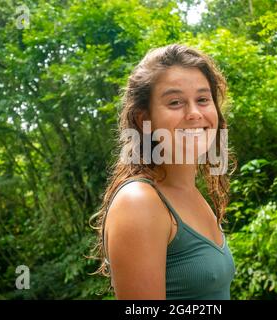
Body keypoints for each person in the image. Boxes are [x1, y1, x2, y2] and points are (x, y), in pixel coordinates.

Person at [90, 44, 237, 300]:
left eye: (203, 99)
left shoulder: (192, 194)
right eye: (175, 102)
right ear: (143, 120)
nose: (194, 113)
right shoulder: (140, 202)